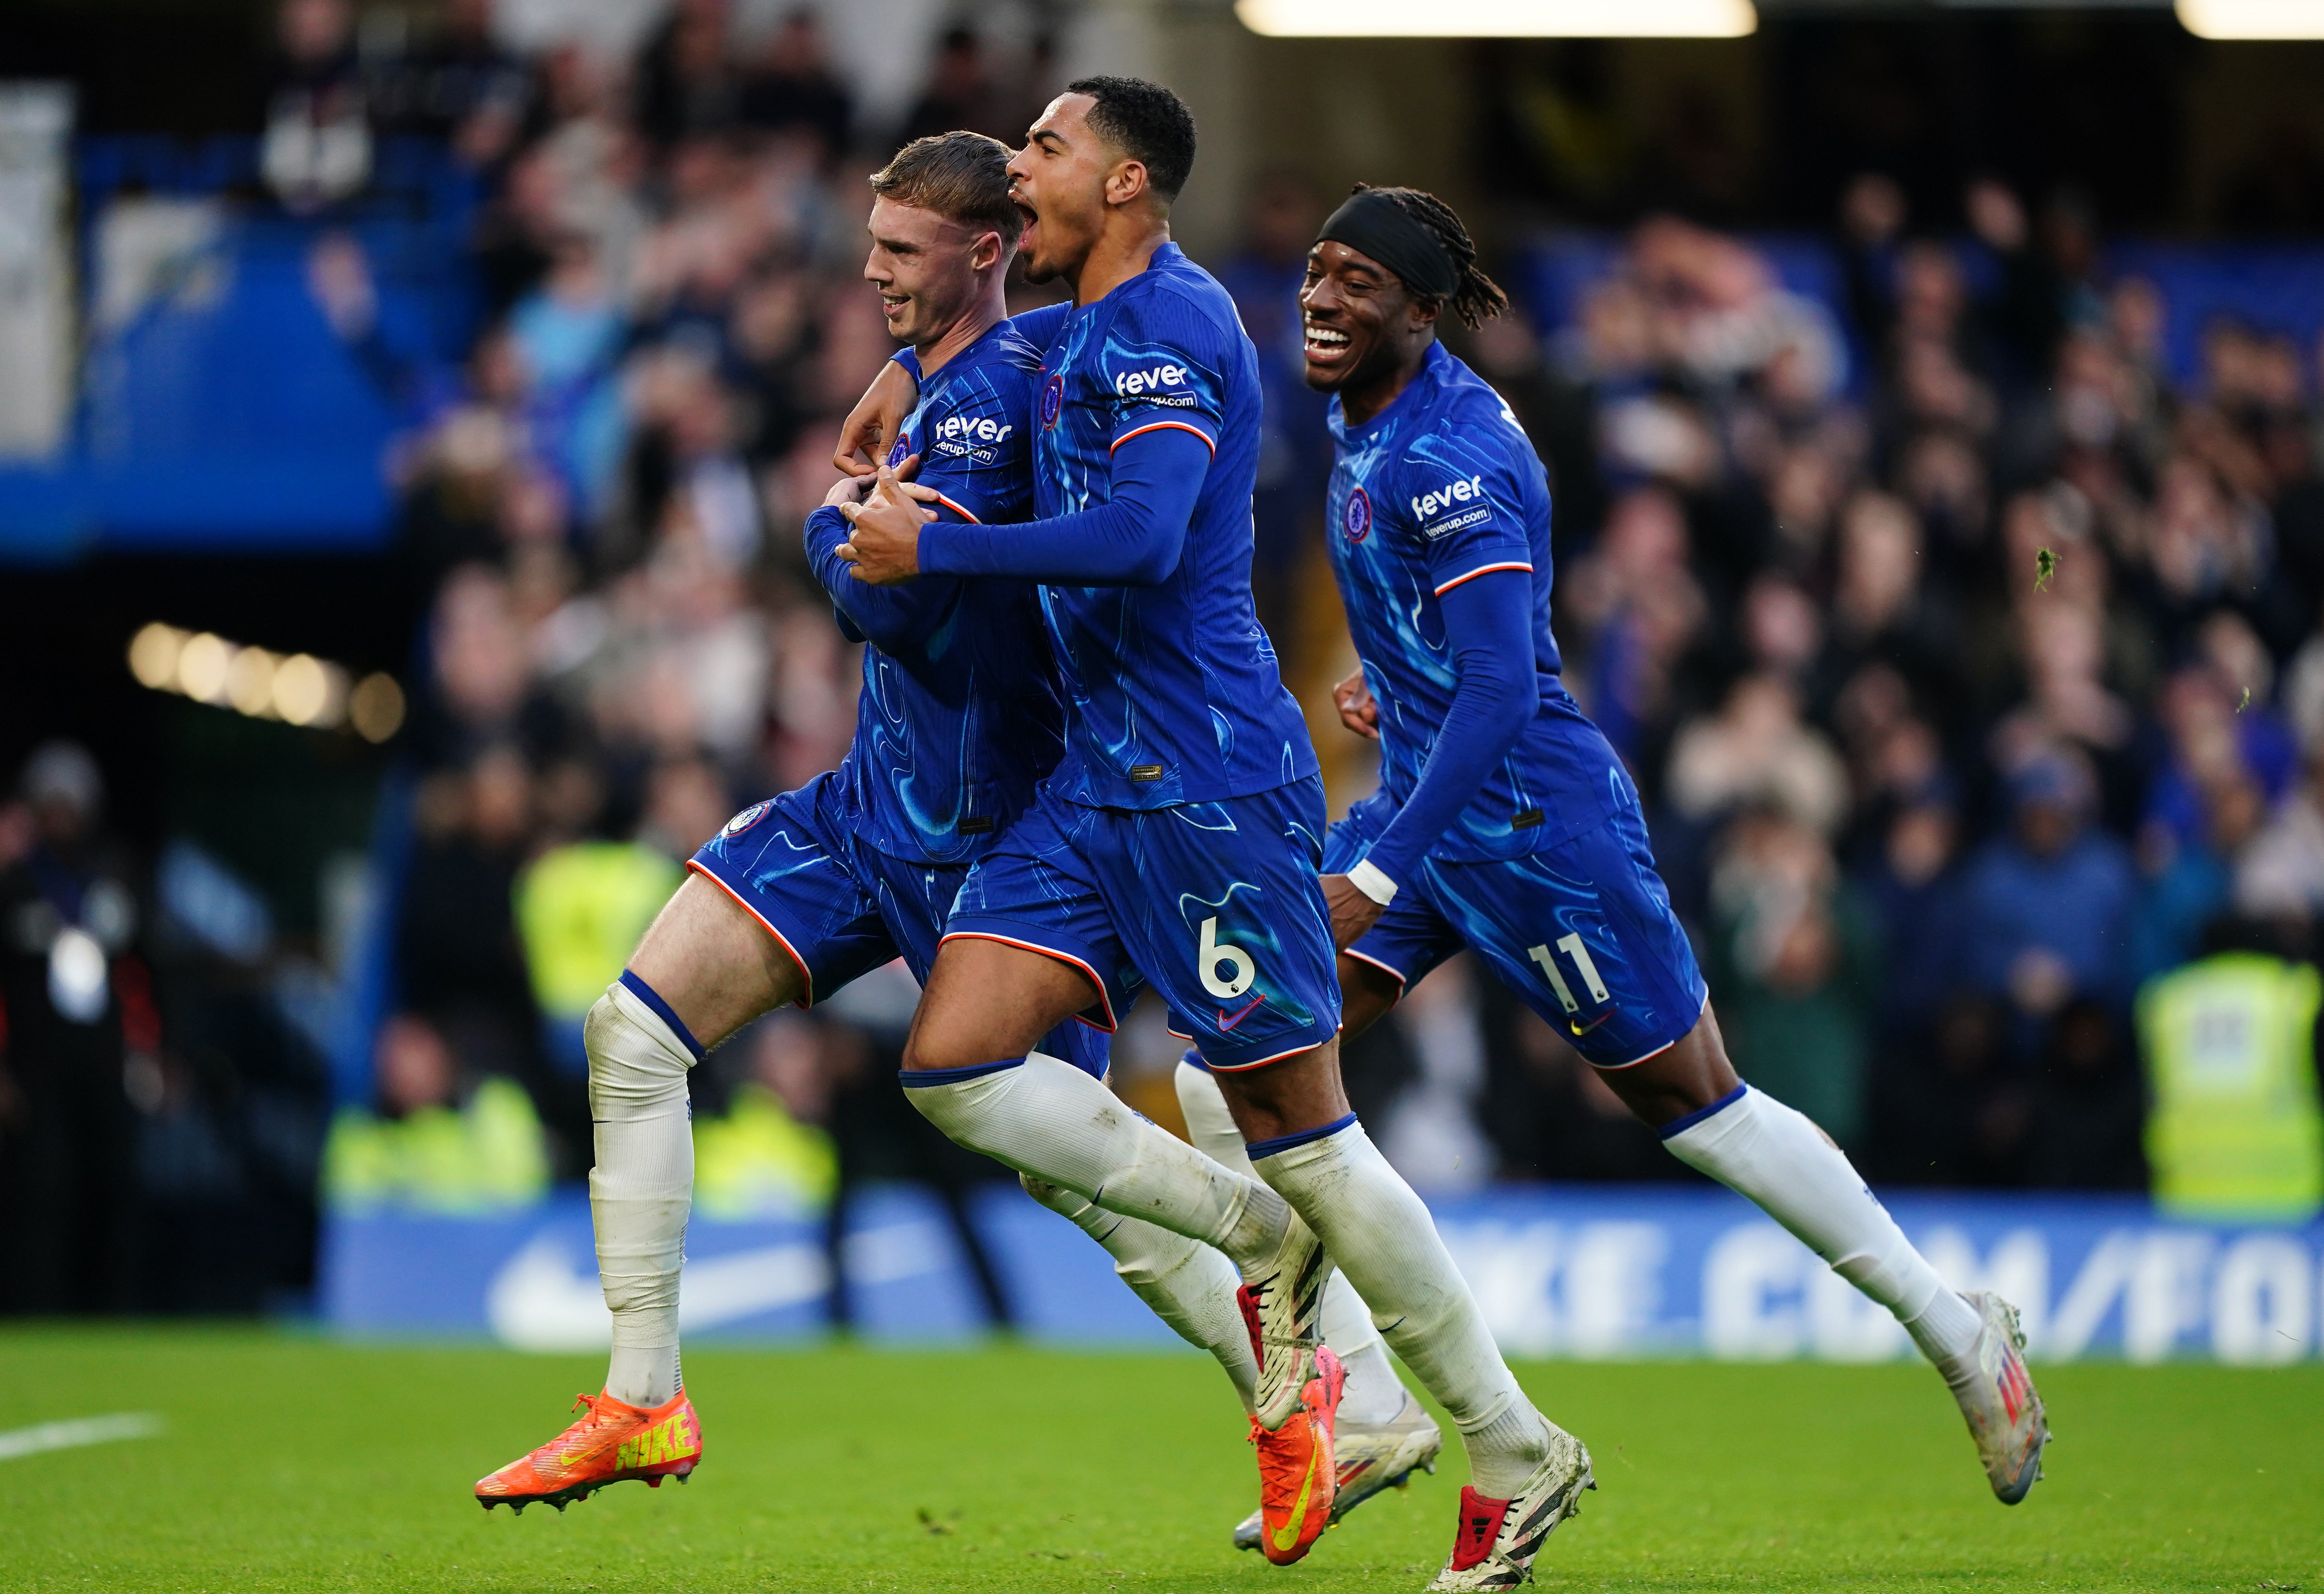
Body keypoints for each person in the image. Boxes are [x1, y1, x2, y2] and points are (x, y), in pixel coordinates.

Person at [1182, 181, 2048, 1520]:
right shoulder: (1370, 418)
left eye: (1357, 281)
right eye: (1313, 271)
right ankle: (1363, 1401)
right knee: (1232, 1060)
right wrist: (1394, 682)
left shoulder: (1452, 453)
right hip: (1432, 794)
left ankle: (1955, 1330)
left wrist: (1381, 863)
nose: (1320, 297)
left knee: (1697, 1108)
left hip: (1534, 829)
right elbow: (1471, 659)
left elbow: (1508, 695)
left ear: (1421, 309)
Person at [834, 79, 1590, 1587]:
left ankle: (1512, 1442)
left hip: (1209, 787)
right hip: (1096, 785)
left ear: (1122, 184)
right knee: (956, 1059)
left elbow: (1146, 536)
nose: (1017, 169)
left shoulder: (1172, 328)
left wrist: (947, 541)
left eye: (1042, 149)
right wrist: (907, 377)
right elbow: (995, 360)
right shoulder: (1076, 328)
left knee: (1309, 1131)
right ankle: (1283, 1278)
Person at [473, 131, 1236, 1511]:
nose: (872, 272)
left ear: (984, 251)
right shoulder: (960, 377)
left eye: (901, 252)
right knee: (634, 1031)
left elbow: (899, 602)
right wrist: (900, 388)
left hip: (986, 848)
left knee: (1095, 1198)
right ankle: (640, 1394)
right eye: (872, 244)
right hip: (866, 808)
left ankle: (1314, 1357)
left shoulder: (1001, 398)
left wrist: (825, 529)